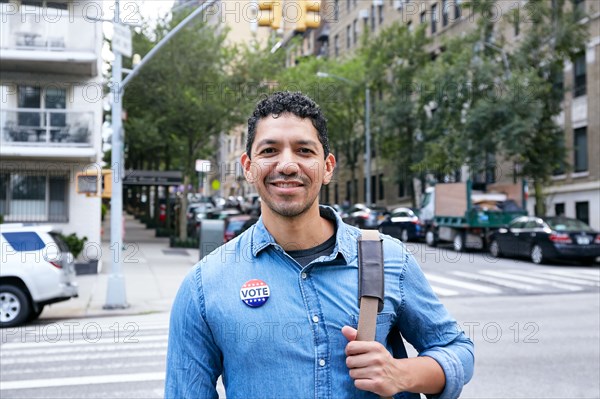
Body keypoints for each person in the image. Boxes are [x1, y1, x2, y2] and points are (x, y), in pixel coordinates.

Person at [165, 91, 474, 399]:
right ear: (248, 167)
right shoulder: (204, 286)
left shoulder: (387, 258)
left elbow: (456, 349)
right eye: (269, 150)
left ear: (327, 167)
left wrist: (402, 374)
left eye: (304, 151)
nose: (287, 165)